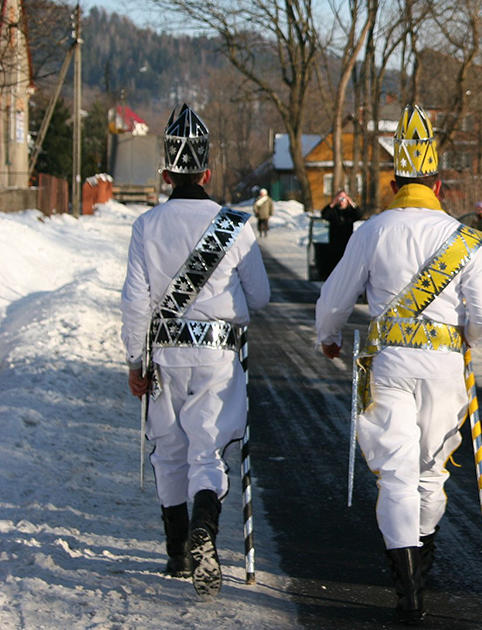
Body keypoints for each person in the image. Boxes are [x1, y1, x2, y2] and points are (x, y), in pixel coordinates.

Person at [315, 104, 482, 623]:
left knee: (394, 472)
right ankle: (424, 552)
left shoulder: (372, 231)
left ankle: (406, 582)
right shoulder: (465, 238)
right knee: (430, 472)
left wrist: (328, 337)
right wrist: (469, 337)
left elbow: (335, 298)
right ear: (438, 185)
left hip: (389, 362)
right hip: (443, 365)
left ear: (394, 182)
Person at [120, 104, 270, 601]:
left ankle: (178, 551)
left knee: (169, 451)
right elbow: (262, 297)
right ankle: (207, 525)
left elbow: (135, 303)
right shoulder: (234, 225)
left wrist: (135, 363)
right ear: (207, 172)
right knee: (208, 450)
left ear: (165, 173)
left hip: (164, 355)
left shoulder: (147, 226)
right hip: (217, 355)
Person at [320, 190, 364, 271]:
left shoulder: (350, 212)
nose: (341, 200)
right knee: (334, 264)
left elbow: (359, 215)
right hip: (334, 243)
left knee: (346, 264)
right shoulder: (333, 211)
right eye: (339, 198)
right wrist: (332, 203)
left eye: (343, 198)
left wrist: (352, 203)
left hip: (347, 242)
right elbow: (324, 215)